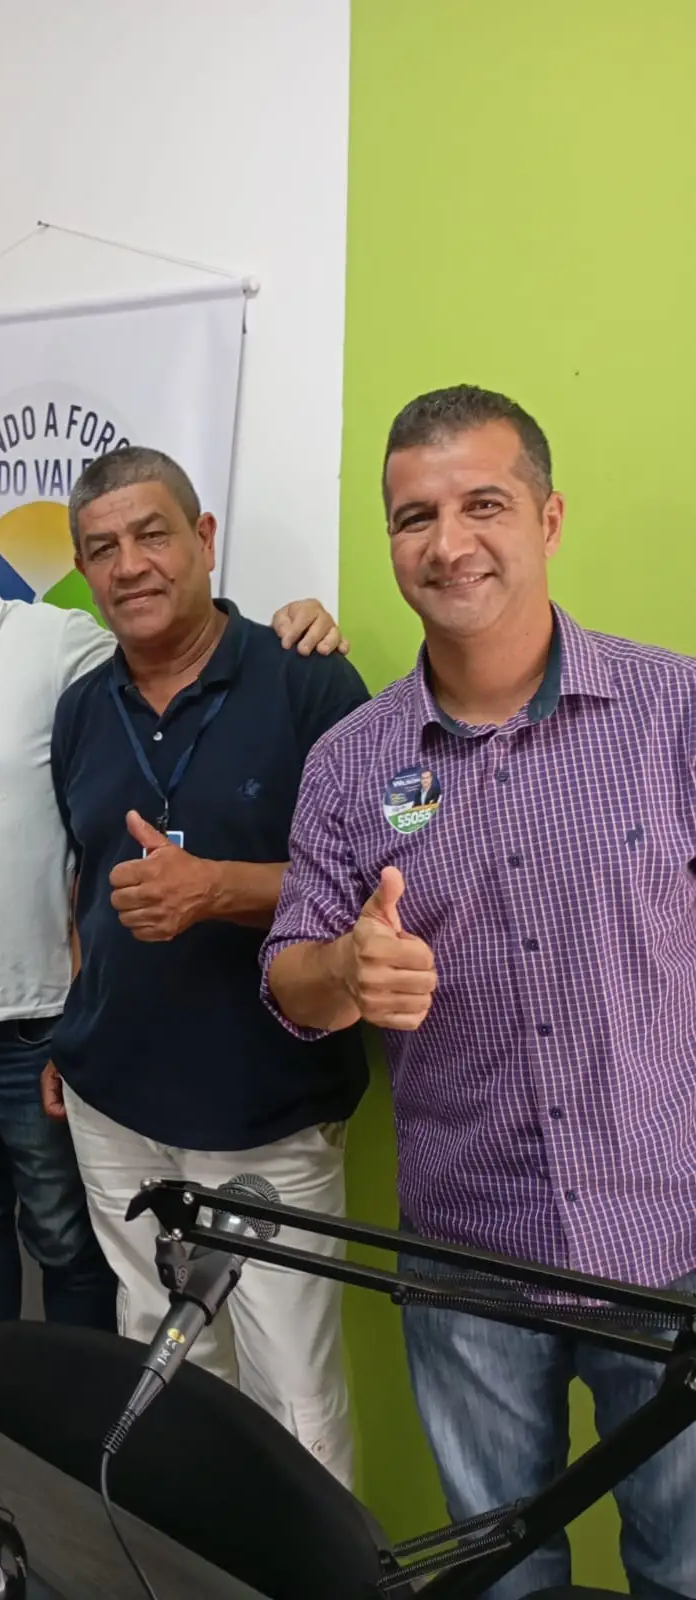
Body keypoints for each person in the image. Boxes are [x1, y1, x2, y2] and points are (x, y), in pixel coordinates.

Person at [263, 385, 696, 1598]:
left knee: (685, 1565)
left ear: (547, 518)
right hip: (465, 1254)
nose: (448, 542)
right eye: (415, 516)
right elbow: (291, 976)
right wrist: (343, 970)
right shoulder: (349, 762)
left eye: (483, 505)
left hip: (668, 1239)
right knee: (498, 1575)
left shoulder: (674, 712)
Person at [0, 450, 347, 1361]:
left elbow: (188, 637)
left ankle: (70, 1431)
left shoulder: (64, 646)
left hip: (40, 1018)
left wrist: (301, 619)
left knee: (71, 1244)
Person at [44, 446, 369, 1485]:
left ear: (204, 538)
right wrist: (73, 1023)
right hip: (112, 1099)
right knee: (161, 1364)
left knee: (293, 1400)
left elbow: (373, 887)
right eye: (102, 548)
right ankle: (182, 1557)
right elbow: (85, 878)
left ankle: (306, 1561)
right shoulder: (80, 708)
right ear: (82, 570)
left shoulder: (306, 677)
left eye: (152, 534)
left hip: (263, 1108)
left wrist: (216, 887)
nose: (129, 564)